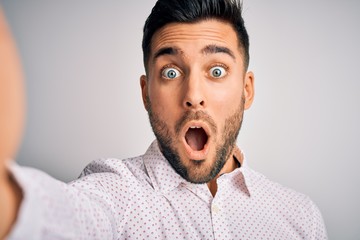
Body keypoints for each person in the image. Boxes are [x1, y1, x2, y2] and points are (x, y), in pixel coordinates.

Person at [0, 0, 328, 239]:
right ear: (146, 93)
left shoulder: (300, 217)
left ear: (247, 90)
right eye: (170, 72)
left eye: (216, 70)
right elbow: (69, 216)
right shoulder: (117, 192)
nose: (193, 95)